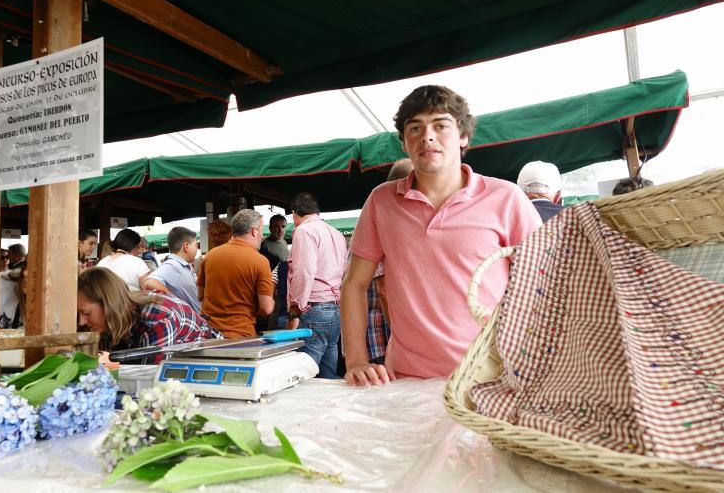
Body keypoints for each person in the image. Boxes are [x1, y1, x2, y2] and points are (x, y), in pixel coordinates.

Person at [341, 85, 541, 385]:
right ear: (404, 142)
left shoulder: (506, 198)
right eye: (415, 128)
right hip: (406, 380)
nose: (427, 136)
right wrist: (356, 360)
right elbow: (355, 284)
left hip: (491, 379)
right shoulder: (381, 202)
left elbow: (545, 283)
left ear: (463, 136)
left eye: (441, 125)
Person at [77, 267, 222, 364]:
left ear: (109, 305)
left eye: (86, 313)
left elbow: (150, 378)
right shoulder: (105, 322)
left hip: (206, 360)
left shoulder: (158, 317)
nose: (81, 321)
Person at [286, 192, 349, 379]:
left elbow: (304, 271)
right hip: (335, 307)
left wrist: (295, 310)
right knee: (328, 375)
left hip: (315, 308)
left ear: (294, 212)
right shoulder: (336, 233)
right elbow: (345, 270)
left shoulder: (304, 231)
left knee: (304, 374)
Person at [197, 210, 274, 338]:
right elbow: (266, 308)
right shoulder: (260, 261)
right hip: (240, 336)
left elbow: (200, 295)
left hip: (208, 334)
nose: (262, 236)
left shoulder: (210, 256)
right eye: (261, 230)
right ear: (254, 231)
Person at [367, 158, 415, 364]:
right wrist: (403, 335)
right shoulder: (383, 224)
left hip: (387, 333)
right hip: (382, 334)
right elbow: (384, 290)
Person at [144, 227, 202, 314]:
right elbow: (149, 282)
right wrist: (175, 302)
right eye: (195, 246)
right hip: (188, 319)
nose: (197, 249)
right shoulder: (172, 265)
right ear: (186, 246)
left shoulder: (181, 265)